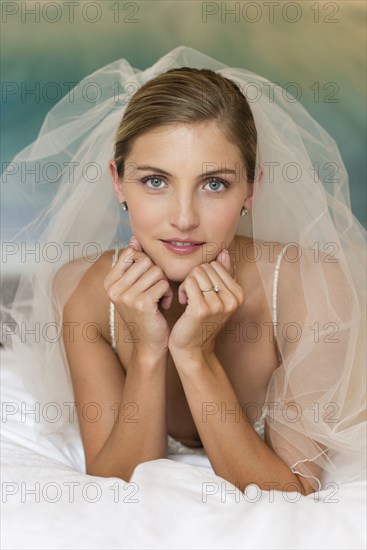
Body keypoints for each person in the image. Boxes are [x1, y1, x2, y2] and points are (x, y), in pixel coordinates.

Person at [1, 46, 365, 497]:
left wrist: (195, 355)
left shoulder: (309, 284)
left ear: (252, 189)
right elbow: (115, 483)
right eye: (156, 181)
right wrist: (150, 351)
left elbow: (288, 490)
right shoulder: (83, 292)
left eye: (214, 184)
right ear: (118, 182)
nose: (184, 217)